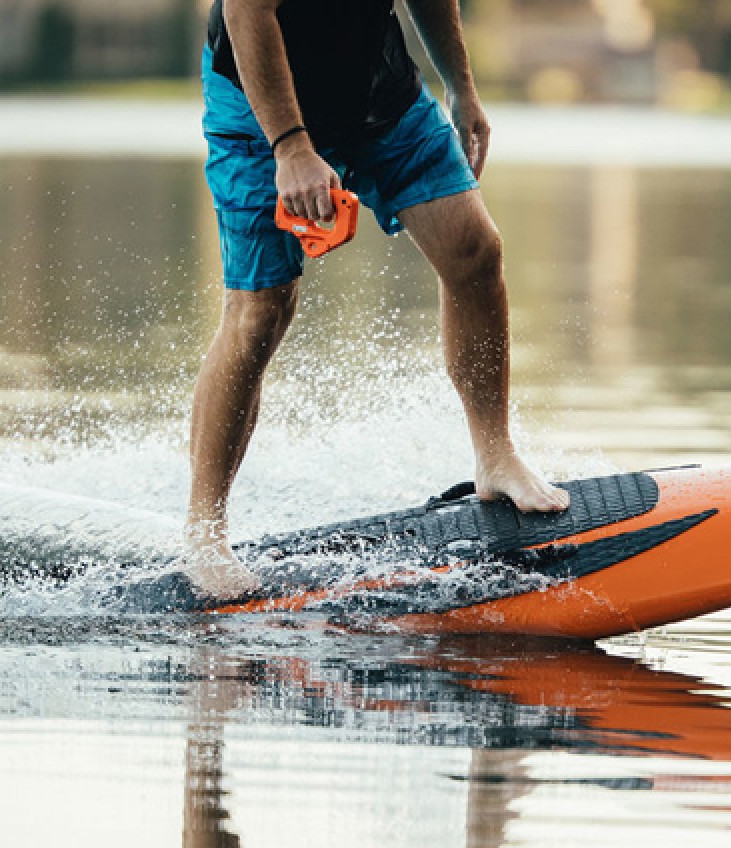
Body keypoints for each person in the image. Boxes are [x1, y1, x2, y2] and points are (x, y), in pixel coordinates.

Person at [188, 0, 570, 599]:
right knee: (260, 311)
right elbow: (246, 9)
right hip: (258, 105)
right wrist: (290, 148)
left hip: (376, 91)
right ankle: (204, 532)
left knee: (474, 251)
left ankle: (495, 458)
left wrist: (461, 88)